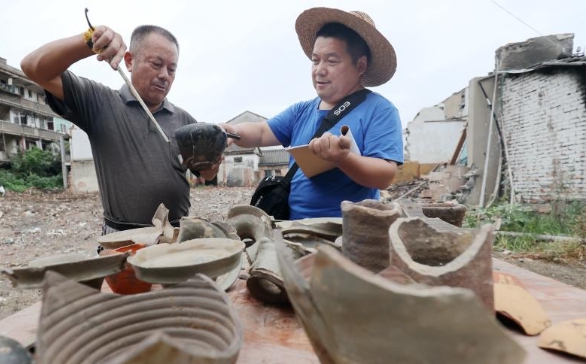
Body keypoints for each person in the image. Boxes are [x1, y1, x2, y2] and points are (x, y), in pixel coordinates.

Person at [21, 23, 217, 235]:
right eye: (156, 64)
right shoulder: (99, 102)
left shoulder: (185, 121)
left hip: (178, 236)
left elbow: (206, 173)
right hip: (123, 242)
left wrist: (214, 155)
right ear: (130, 61)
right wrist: (90, 40)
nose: (164, 75)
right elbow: (34, 68)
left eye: (171, 69)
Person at [220, 8, 404, 220]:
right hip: (292, 230)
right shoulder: (302, 110)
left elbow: (385, 176)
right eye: (316, 61)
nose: (320, 70)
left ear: (360, 65)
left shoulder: (379, 110)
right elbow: (261, 132)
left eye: (331, 61)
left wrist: (343, 159)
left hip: (345, 233)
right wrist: (232, 132)